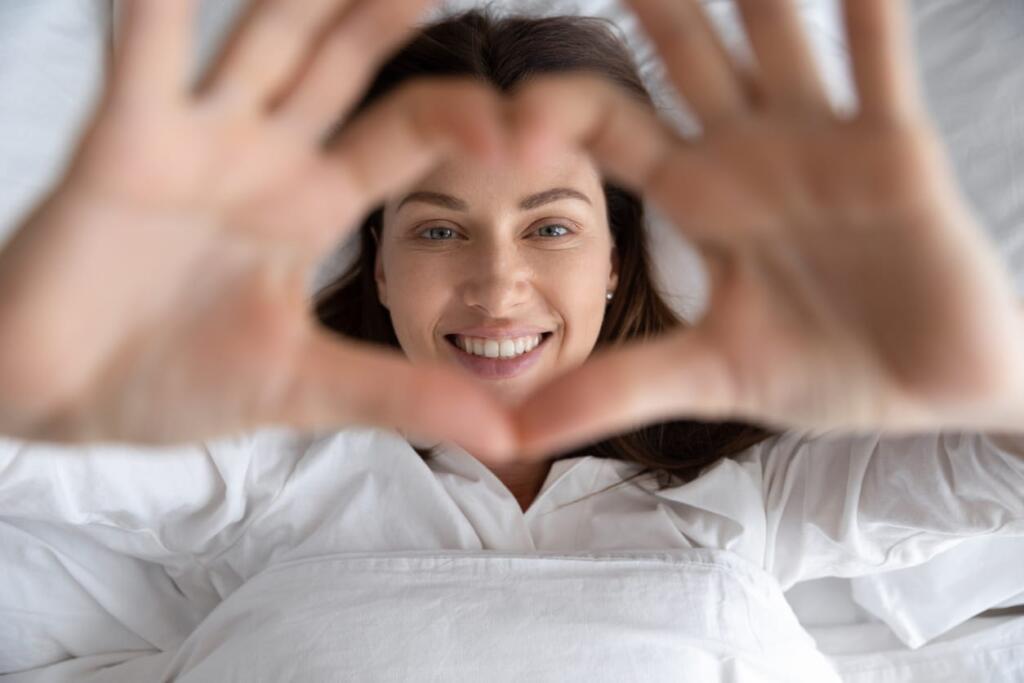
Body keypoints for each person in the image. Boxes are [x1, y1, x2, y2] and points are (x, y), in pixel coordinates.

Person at [0, 0, 1022, 680]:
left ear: (615, 259)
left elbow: (1000, 468)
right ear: (382, 264)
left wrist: (995, 377)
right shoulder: (267, 470)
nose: (497, 283)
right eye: (438, 227)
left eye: (551, 226)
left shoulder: (740, 492)